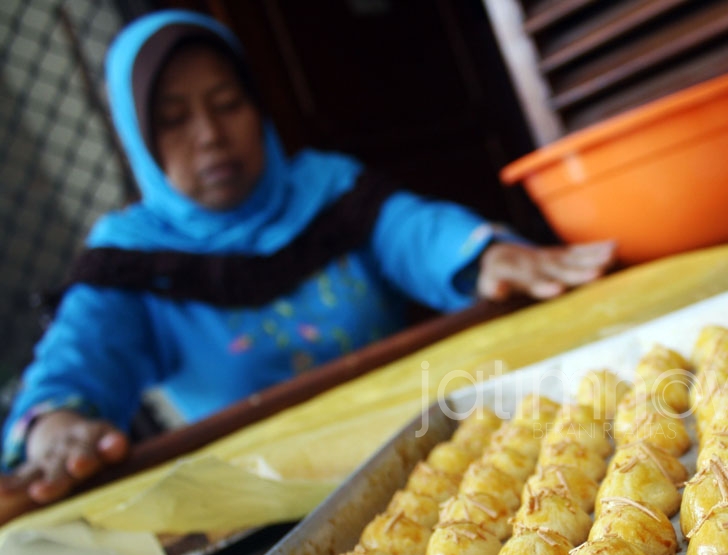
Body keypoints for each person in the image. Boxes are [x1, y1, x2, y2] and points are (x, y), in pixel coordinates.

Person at [0, 10, 615, 509]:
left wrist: (483, 257)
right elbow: (76, 362)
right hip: (272, 517)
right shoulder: (131, 261)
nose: (211, 134)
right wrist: (55, 426)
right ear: (136, 140)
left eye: (227, 103)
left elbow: (415, 231)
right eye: (173, 120)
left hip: (440, 463)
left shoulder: (329, 190)